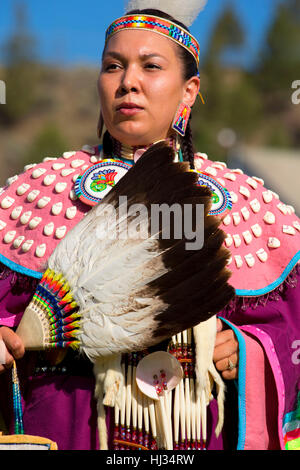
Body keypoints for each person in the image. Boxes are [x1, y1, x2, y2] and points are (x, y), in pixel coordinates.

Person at [0, 1, 299, 451]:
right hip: (69, 429)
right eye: (113, 66)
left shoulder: (250, 207)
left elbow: (290, 328)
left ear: (188, 91)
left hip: (198, 433)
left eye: (151, 66)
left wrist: (249, 350)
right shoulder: (37, 195)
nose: (128, 82)